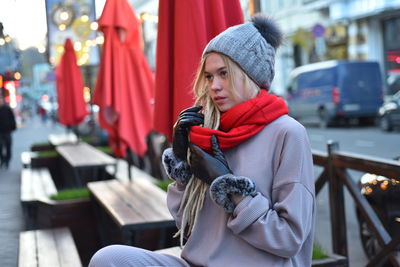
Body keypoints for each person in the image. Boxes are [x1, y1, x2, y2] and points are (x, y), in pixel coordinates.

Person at [89, 14, 315, 267]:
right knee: (109, 259)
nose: (214, 86)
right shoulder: (206, 131)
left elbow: (288, 239)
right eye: (208, 76)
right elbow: (183, 223)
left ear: (251, 74)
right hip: (197, 262)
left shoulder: (287, 133)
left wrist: (229, 188)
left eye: (224, 74)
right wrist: (183, 169)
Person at [0, 97, 17, 169]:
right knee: (0, 147)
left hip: (7, 130)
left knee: (8, 146)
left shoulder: (7, 109)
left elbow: (12, 118)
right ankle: (3, 159)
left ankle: (7, 160)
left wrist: (13, 127)